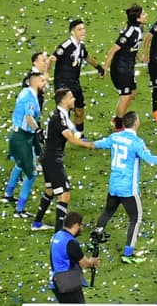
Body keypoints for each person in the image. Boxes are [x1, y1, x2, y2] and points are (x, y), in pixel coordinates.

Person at [90, 112, 157, 263]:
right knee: (136, 218)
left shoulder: (115, 137)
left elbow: (98, 144)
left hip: (114, 185)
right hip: (128, 189)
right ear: (136, 123)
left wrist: (83, 142)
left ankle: (95, 240)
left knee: (108, 211)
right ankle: (128, 254)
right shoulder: (137, 142)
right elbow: (150, 159)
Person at [32, 87, 98, 232]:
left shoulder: (58, 114)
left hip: (48, 156)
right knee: (65, 193)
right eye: (71, 97)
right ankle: (58, 231)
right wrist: (89, 145)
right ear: (64, 100)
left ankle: (36, 223)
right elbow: (70, 138)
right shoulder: (59, 118)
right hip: (52, 159)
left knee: (50, 190)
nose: (74, 99)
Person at [4, 70, 46, 216]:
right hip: (22, 137)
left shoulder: (27, 92)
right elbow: (29, 118)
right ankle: (19, 209)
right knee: (31, 174)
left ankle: (8, 194)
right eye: (42, 81)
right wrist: (38, 130)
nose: (45, 84)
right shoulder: (29, 97)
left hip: (18, 135)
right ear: (34, 82)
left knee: (20, 165)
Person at [53, 19, 105, 134]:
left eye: (83, 29)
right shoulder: (65, 46)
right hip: (62, 83)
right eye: (79, 29)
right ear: (72, 32)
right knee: (63, 113)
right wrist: (46, 73)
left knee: (80, 109)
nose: (83, 31)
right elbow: (52, 58)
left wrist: (99, 67)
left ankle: (79, 135)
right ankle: (59, 139)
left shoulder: (80, 46)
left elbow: (86, 57)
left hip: (74, 82)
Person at [102, 4, 145, 127]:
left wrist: (140, 57)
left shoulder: (138, 29)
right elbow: (113, 50)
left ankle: (117, 118)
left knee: (132, 93)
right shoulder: (129, 32)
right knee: (125, 96)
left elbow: (133, 47)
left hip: (128, 66)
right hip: (121, 68)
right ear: (137, 19)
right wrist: (105, 68)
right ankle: (119, 125)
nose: (145, 16)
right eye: (143, 14)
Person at [49, 211, 99, 304]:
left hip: (56, 281)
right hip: (67, 284)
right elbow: (85, 264)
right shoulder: (71, 242)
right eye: (81, 225)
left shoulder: (56, 235)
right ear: (76, 225)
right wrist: (92, 261)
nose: (82, 228)